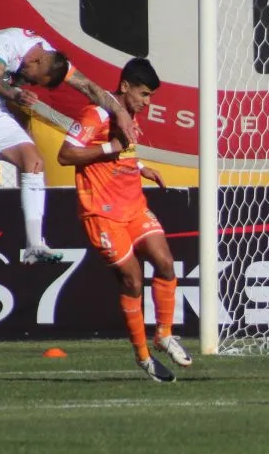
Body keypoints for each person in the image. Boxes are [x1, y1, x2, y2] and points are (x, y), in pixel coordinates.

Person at [0, 27, 137, 296]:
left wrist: (120, 113)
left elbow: (88, 87)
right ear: (34, 62)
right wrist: (16, 95)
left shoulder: (47, 55)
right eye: (34, 79)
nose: (30, 84)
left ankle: (34, 244)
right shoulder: (7, 43)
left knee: (33, 162)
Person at [58, 58, 190, 383]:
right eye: (144, 94)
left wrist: (140, 166)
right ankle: (143, 356)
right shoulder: (96, 114)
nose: (147, 103)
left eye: (150, 97)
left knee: (165, 262)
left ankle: (163, 334)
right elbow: (65, 155)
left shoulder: (127, 115)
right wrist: (109, 147)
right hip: (102, 215)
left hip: (133, 205)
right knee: (132, 279)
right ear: (125, 86)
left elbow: (123, 152)